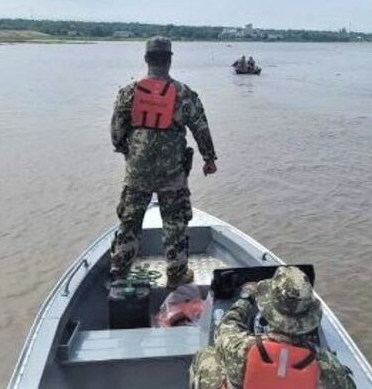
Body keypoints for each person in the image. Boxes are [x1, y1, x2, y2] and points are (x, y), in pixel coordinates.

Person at [110, 36, 218, 289]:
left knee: (130, 222)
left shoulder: (128, 93)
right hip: (173, 173)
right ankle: (177, 273)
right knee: (174, 223)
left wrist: (127, 150)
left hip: (137, 172)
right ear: (169, 60)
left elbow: (116, 131)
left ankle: (119, 271)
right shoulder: (183, 93)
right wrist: (209, 158)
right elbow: (200, 128)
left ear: (147, 60)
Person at [189, 266, 356, 389]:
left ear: (268, 308)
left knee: (207, 355)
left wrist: (246, 299)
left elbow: (226, 325)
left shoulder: (240, 349)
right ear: (309, 317)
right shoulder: (326, 364)